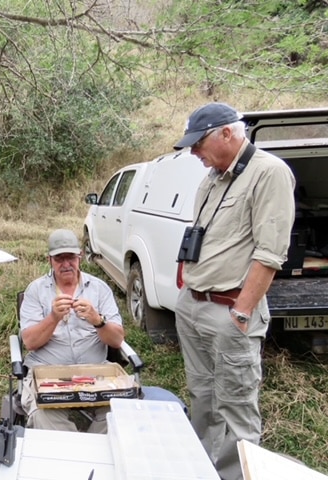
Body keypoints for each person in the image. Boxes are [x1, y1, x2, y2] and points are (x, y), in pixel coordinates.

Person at [173, 103, 295, 480]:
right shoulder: (211, 178)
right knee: (202, 396)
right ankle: (203, 470)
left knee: (236, 408)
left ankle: (237, 475)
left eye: (199, 143)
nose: (194, 153)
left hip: (230, 310)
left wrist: (241, 312)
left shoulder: (268, 172)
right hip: (193, 304)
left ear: (227, 133)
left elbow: (270, 253)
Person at [19, 229, 125, 433]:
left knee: (119, 412)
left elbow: (117, 340)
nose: (66, 264)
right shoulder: (36, 290)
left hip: (95, 372)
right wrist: (53, 317)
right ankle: (74, 449)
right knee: (42, 414)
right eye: (59, 258)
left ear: (80, 257)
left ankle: (89, 448)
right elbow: (30, 342)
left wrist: (98, 320)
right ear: (50, 260)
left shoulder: (99, 288)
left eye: (71, 257)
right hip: (48, 372)